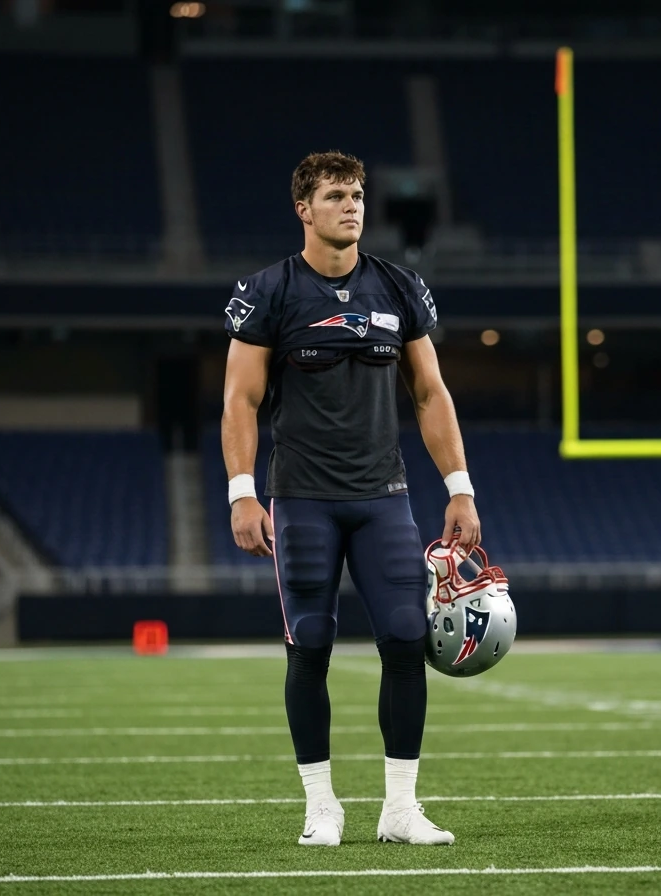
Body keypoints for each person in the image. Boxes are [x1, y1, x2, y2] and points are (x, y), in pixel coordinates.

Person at [220, 151, 480, 846]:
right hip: (302, 496)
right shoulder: (269, 292)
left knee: (404, 636)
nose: (353, 205)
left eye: (358, 194)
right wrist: (242, 493)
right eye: (336, 195)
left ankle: (400, 808)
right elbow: (240, 400)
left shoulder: (398, 287)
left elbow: (430, 393)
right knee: (310, 644)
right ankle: (321, 805)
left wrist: (460, 488)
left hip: (382, 496)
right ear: (303, 209)